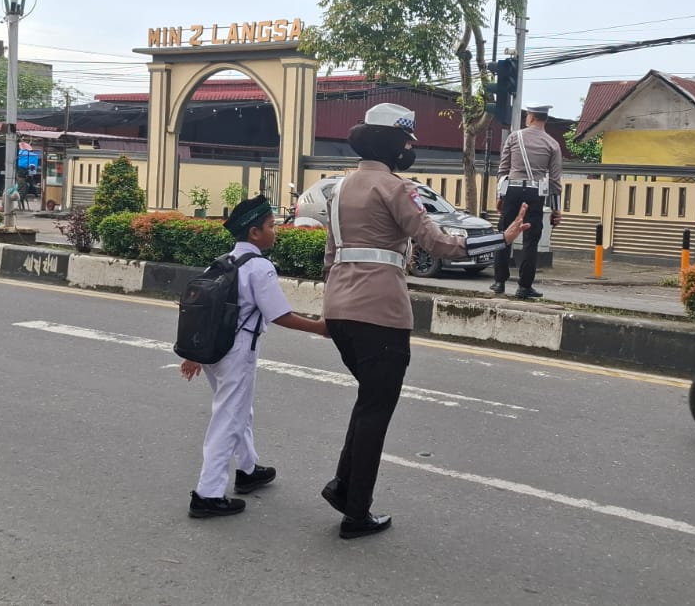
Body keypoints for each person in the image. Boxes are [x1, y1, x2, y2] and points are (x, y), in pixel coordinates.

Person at [321, 103, 531, 539]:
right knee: (377, 409)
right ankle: (355, 513)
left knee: (367, 402)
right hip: (381, 314)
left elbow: (330, 255)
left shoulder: (338, 188)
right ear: (389, 143)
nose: (412, 147)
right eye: (406, 140)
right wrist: (501, 238)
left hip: (339, 308)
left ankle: (344, 488)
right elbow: (437, 242)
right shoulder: (398, 188)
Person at [180, 195, 328, 518]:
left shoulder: (220, 262)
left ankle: (247, 469)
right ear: (254, 234)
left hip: (212, 353)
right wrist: (319, 328)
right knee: (229, 418)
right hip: (236, 353)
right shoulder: (260, 268)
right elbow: (279, 315)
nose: (276, 231)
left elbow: (198, 312)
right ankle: (207, 494)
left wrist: (193, 355)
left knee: (238, 410)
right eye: (271, 226)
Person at [492, 104, 563, 299]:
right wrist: (556, 210)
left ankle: (499, 281)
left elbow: (502, 169)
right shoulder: (552, 144)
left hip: (512, 190)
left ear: (530, 117)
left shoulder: (514, 137)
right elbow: (555, 181)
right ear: (545, 119)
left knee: (504, 234)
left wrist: (500, 196)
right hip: (535, 192)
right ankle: (524, 286)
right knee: (531, 240)